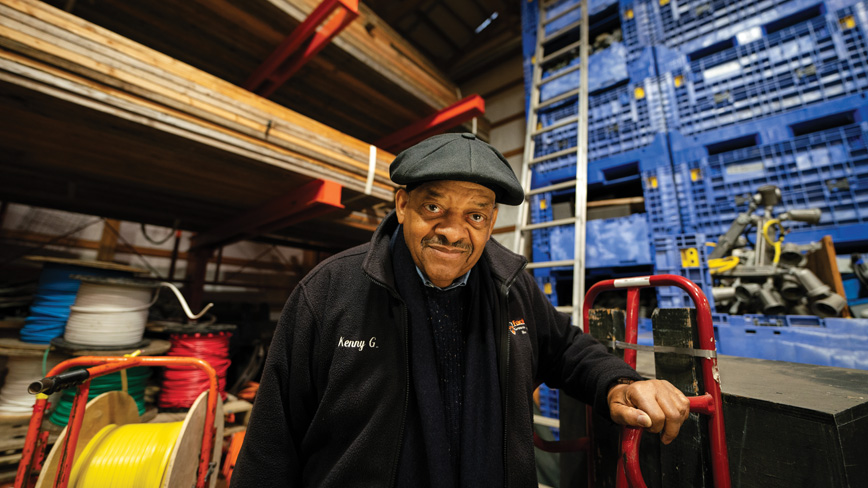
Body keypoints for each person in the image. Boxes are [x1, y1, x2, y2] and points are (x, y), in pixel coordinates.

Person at [231, 133, 690, 487]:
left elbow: (566, 348)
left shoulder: (511, 286)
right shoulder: (329, 291)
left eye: (475, 215)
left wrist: (617, 383)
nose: (453, 232)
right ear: (402, 204)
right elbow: (272, 442)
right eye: (434, 206)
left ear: (492, 221)